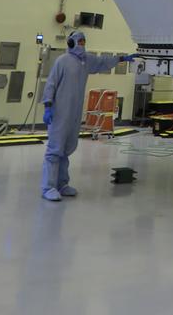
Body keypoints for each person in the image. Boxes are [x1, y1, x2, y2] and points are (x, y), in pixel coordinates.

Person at [41, 31, 135, 201]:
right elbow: (51, 83)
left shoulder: (85, 61)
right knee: (55, 149)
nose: (83, 44)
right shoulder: (62, 61)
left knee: (67, 149)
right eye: (80, 41)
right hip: (60, 111)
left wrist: (122, 59)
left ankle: (62, 184)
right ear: (71, 43)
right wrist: (48, 105)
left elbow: (102, 62)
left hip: (75, 113)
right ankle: (48, 187)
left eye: (84, 41)